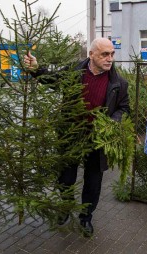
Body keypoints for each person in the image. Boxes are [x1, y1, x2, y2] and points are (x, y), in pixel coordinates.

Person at [24, 37, 130, 236]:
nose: (110, 59)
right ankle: (65, 209)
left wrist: (112, 122)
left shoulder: (118, 83)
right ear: (91, 54)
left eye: (112, 54)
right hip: (71, 134)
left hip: (97, 140)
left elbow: (124, 109)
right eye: (105, 54)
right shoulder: (74, 71)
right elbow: (53, 80)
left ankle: (85, 218)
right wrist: (36, 69)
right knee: (66, 177)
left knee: (93, 182)